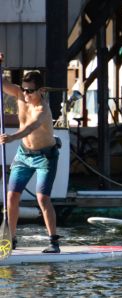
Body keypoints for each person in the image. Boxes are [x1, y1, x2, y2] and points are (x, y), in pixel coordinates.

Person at [0, 62, 61, 253]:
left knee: (42, 198)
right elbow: (1, 82)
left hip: (45, 157)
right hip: (23, 154)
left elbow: (29, 128)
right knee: (11, 196)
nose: (26, 95)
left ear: (41, 90)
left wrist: (11, 137)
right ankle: (12, 239)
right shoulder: (20, 95)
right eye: (24, 90)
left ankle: (53, 242)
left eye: (31, 91)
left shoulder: (43, 111)